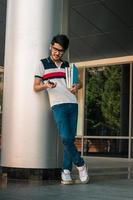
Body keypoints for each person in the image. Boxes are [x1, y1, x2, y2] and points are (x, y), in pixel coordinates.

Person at [33, 34, 89, 185]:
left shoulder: (68, 66)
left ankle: (65, 172)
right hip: (58, 105)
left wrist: (77, 86)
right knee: (65, 138)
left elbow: (80, 83)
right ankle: (81, 165)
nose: (57, 53)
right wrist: (46, 85)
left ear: (64, 51)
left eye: (60, 51)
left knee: (69, 139)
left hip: (72, 103)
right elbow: (36, 87)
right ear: (51, 46)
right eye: (55, 49)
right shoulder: (42, 64)